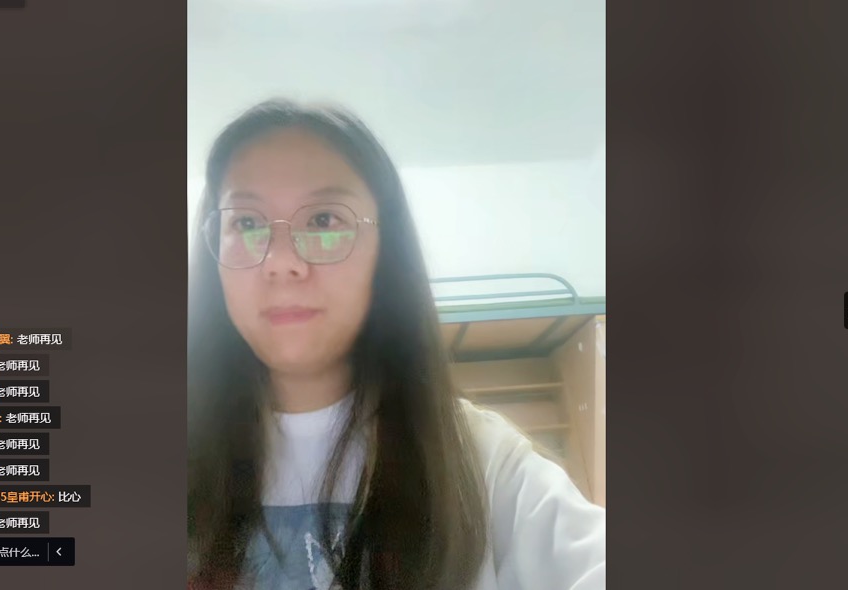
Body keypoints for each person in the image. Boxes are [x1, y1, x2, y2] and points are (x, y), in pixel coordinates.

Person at [186, 99, 606, 589]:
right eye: (247, 222)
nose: (282, 262)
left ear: (385, 252)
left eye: (324, 221)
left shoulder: (478, 458)